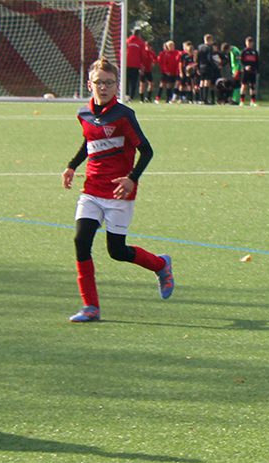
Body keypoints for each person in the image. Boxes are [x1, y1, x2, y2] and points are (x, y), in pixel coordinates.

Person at [62, 58, 174, 323]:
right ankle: (90, 306)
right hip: (91, 190)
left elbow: (147, 151)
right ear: (89, 84)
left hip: (118, 193)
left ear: (116, 86)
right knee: (81, 241)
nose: (103, 87)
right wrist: (71, 166)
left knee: (117, 251)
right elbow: (89, 141)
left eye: (109, 83)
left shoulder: (124, 115)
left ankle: (161, 265)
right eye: (98, 82)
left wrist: (132, 178)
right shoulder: (83, 114)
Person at [124, 31, 147, 102]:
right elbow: (143, 55)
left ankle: (126, 95)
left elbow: (121, 52)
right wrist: (142, 65)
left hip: (126, 64)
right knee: (133, 81)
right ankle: (131, 97)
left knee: (126, 81)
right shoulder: (141, 43)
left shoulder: (127, 41)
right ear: (139, 34)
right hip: (135, 65)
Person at [197, 35, 219, 105]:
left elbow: (197, 58)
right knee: (207, 81)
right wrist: (214, 65)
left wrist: (198, 67)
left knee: (201, 81)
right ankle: (205, 99)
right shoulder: (209, 48)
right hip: (207, 66)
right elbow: (209, 58)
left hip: (201, 66)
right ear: (209, 40)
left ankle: (201, 99)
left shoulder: (200, 47)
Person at [240, 36, 259, 106]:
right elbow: (240, 62)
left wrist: (257, 70)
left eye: (250, 43)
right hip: (245, 72)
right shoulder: (243, 52)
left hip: (253, 71)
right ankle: (242, 101)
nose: (249, 44)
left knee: (252, 86)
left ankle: (253, 101)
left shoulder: (255, 52)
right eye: (248, 42)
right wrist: (245, 67)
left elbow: (257, 62)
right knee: (243, 86)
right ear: (246, 43)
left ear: (252, 43)